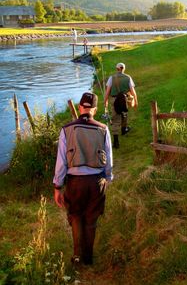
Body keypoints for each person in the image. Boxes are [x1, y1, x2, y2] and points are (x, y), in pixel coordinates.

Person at [53, 92, 113, 266]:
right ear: (94, 109)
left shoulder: (66, 129)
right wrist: (107, 178)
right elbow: (108, 158)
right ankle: (88, 257)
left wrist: (57, 186)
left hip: (75, 183)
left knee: (76, 215)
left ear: (80, 107)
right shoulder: (103, 129)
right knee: (91, 218)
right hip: (97, 181)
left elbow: (61, 162)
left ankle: (77, 255)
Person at [104, 62, 138, 149]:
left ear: (117, 69)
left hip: (114, 100)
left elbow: (107, 92)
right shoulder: (128, 77)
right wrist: (136, 101)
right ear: (124, 69)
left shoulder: (111, 78)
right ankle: (124, 129)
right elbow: (133, 92)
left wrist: (105, 101)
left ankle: (116, 142)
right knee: (124, 113)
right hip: (124, 99)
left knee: (115, 119)